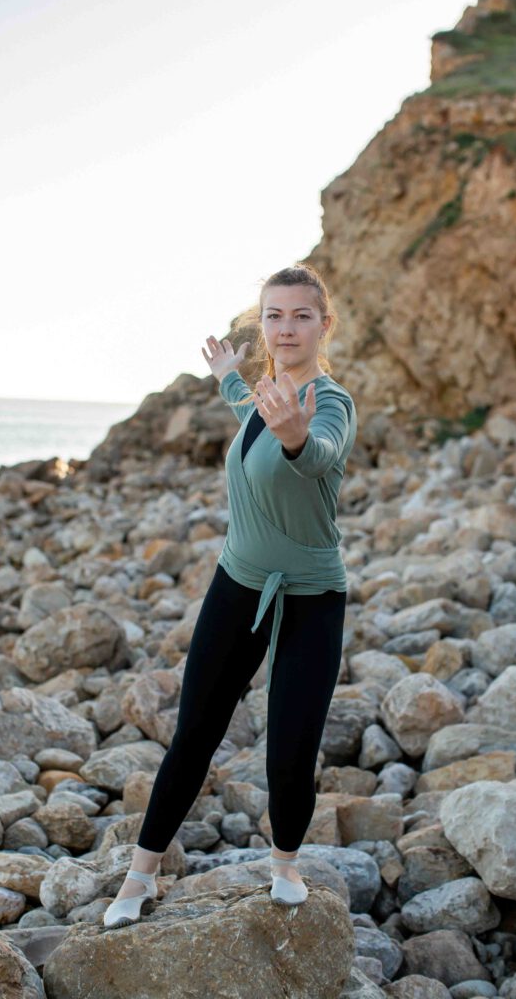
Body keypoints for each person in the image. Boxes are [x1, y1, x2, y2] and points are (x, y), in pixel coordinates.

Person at [103, 263, 357, 929]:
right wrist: (225, 376)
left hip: (310, 597)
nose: (286, 327)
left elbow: (321, 450)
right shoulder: (264, 393)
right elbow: (252, 413)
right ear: (261, 323)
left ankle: (285, 865)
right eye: (274, 315)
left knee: (291, 744)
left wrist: (297, 439)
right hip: (237, 583)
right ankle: (140, 874)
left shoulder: (327, 403)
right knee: (193, 734)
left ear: (322, 325)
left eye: (301, 315)